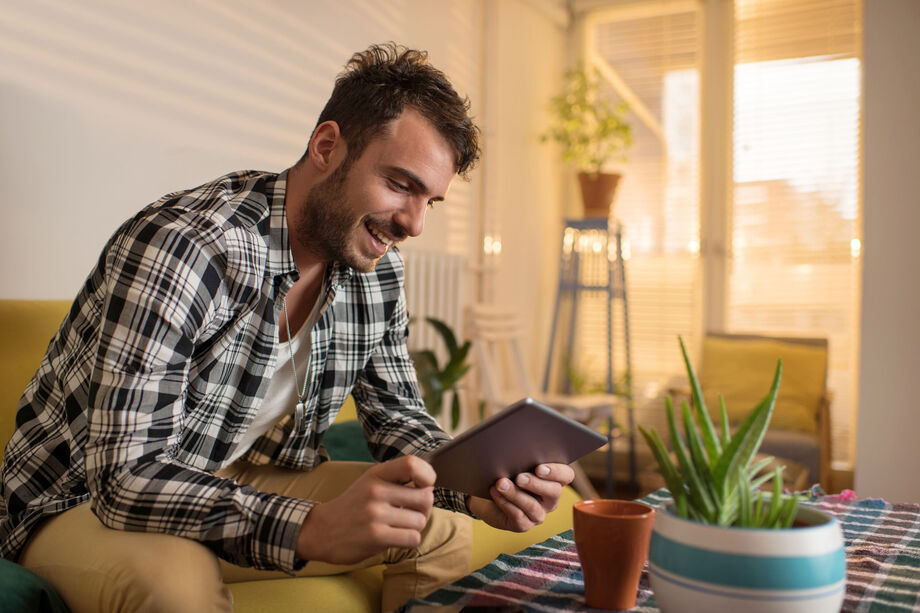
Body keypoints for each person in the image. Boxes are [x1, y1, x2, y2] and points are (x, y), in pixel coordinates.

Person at [0, 43, 574, 612]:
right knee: (176, 587)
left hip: (238, 472)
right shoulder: (187, 247)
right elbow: (125, 475)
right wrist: (307, 527)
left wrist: (478, 488)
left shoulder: (376, 272)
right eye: (400, 184)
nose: (415, 224)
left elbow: (397, 418)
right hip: (78, 500)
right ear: (327, 146)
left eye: (431, 200)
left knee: (439, 528)